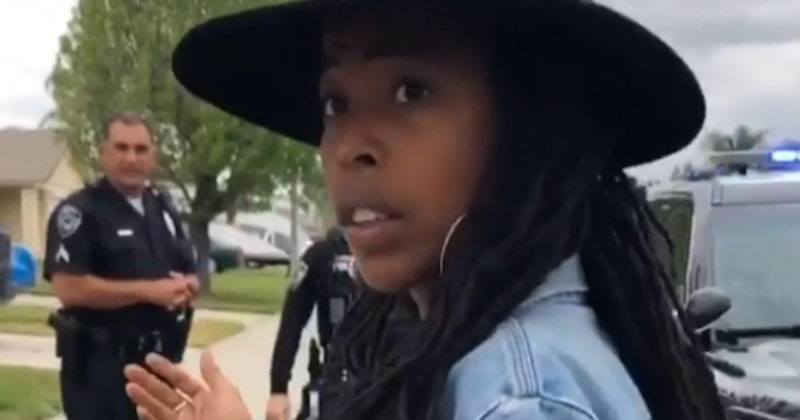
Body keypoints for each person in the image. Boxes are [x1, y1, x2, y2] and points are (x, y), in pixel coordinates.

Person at [123, 1, 728, 420]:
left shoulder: (519, 395)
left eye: (411, 91)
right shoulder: (509, 350)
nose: (350, 147)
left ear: (526, 133)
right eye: (335, 103)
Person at [44, 112, 199, 420]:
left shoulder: (161, 208)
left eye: (141, 149)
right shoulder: (79, 212)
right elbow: (69, 288)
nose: (131, 158)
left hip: (158, 364)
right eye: (121, 148)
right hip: (101, 371)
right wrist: (149, 292)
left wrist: (188, 286)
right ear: (103, 153)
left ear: (153, 156)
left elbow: (187, 267)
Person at [266, 227, 355, 420]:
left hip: (390, 381)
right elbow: (291, 322)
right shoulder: (321, 256)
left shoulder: (397, 253)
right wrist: (278, 389)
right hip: (337, 378)